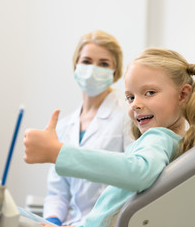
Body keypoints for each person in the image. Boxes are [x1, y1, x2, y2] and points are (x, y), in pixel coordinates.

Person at [22, 47, 195, 227]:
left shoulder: (158, 138)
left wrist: (58, 153)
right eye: (130, 97)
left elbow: (138, 172)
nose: (135, 105)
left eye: (149, 93)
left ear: (183, 95)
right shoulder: (173, 140)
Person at [42, 30, 134, 226]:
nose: (93, 69)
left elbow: (134, 178)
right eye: (86, 61)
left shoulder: (128, 116)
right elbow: (57, 192)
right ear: (76, 65)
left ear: (115, 71)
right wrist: (52, 220)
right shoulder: (65, 126)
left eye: (103, 64)